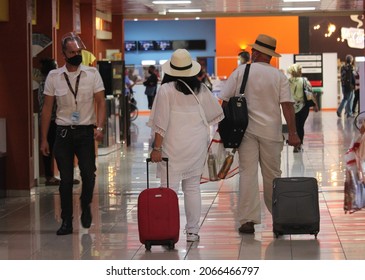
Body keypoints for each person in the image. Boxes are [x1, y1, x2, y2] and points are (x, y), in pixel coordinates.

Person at [219, 34, 301, 234]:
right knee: (273, 175)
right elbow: (287, 106)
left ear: (256, 53)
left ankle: (247, 220)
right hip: (271, 133)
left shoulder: (240, 71)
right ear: (271, 56)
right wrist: (293, 133)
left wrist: (224, 129)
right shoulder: (278, 76)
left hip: (244, 132)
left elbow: (224, 101)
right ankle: (279, 218)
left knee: (247, 174)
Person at [148, 49, 224, 242]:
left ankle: (168, 230)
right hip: (196, 145)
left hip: (172, 147)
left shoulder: (166, 90)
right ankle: (192, 231)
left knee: (168, 189)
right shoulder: (200, 88)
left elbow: (160, 123)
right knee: (192, 188)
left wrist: (157, 149)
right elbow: (215, 115)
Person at [40, 32, 106, 235]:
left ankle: (85, 205)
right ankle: (66, 221)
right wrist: (43, 138)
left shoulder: (92, 74)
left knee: (88, 173)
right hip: (63, 133)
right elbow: (47, 109)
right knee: (66, 180)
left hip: (86, 132)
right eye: (72, 52)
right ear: (64, 54)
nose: (76, 55)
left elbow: (101, 101)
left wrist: (100, 127)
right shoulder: (54, 77)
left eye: (79, 51)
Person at [287, 63, 319, 153]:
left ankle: (296, 144)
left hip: (291, 107)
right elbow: (310, 93)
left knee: (295, 125)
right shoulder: (304, 80)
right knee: (300, 126)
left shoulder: (288, 81)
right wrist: (315, 105)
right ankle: (299, 144)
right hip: (303, 107)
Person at [38, 58, 59, 186]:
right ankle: (49, 176)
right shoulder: (46, 84)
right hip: (50, 121)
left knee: (53, 148)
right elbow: (46, 105)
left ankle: (53, 175)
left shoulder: (45, 83)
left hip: (52, 120)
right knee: (48, 148)